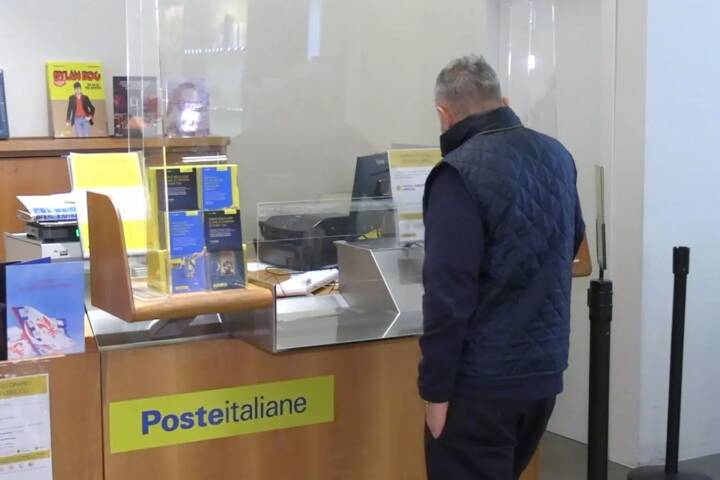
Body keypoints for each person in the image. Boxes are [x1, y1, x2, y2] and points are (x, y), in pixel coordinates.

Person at [419, 55, 585, 479]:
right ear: (503, 101)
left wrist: (435, 392)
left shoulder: (456, 173)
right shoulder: (557, 155)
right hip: (543, 374)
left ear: (443, 115)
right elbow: (571, 243)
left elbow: (447, 295)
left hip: (481, 384)